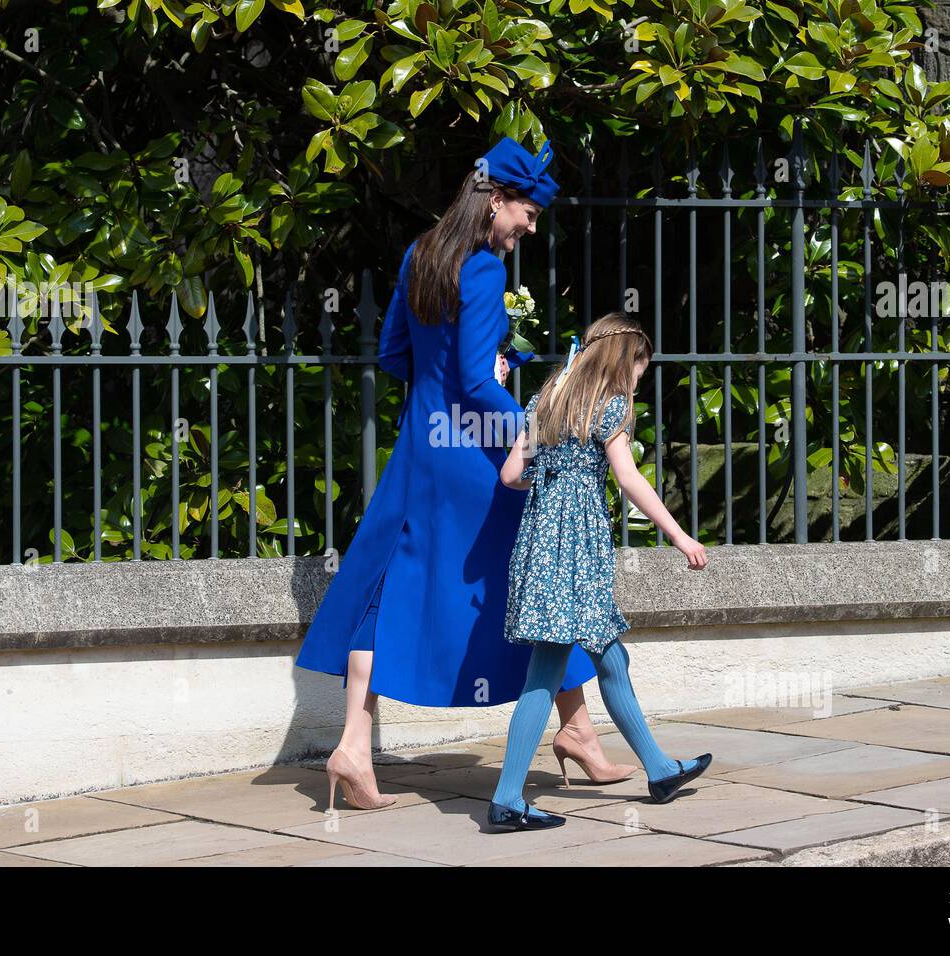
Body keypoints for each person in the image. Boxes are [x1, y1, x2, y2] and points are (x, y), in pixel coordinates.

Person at [295, 137, 634, 812]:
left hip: (422, 448)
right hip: (478, 457)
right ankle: (577, 730)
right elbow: (479, 383)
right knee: (543, 582)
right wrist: (536, 429)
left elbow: (396, 356)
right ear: (495, 200)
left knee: (385, 589)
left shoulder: (421, 254)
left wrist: (462, 376)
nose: (530, 228)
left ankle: (354, 749)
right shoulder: (480, 272)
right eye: (527, 213)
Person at [486, 312, 713, 832]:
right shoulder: (611, 406)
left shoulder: (548, 403)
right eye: (641, 367)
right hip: (577, 552)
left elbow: (510, 476)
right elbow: (629, 478)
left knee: (610, 657)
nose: (640, 378)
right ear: (625, 359)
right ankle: (506, 799)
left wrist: (554, 479)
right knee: (547, 671)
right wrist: (679, 536)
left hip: (543, 544)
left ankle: (658, 770)